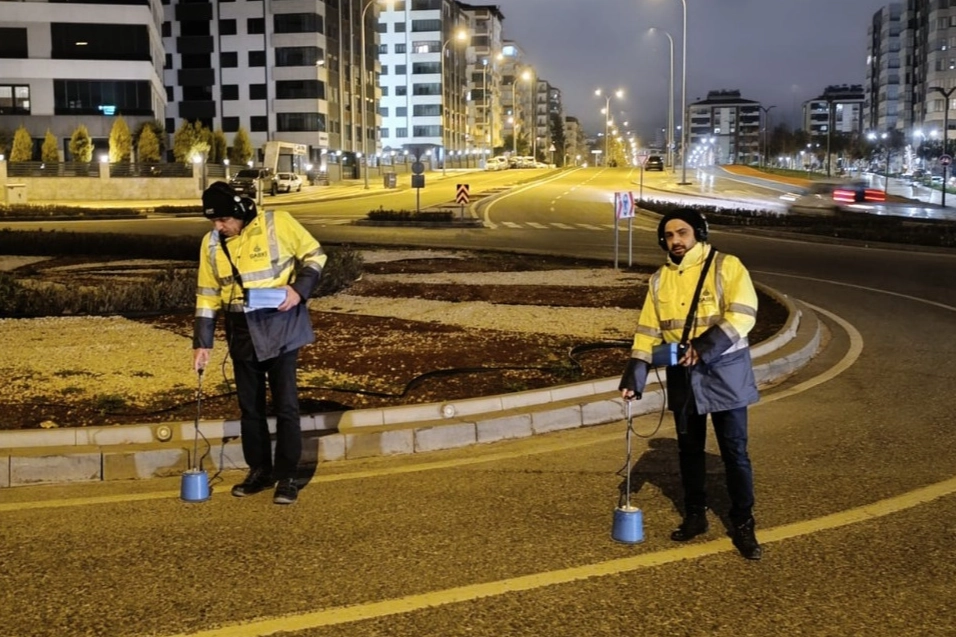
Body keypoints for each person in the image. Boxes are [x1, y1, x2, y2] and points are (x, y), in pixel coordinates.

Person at [619, 208, 762, 560]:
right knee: (689, 452)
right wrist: (635, 375)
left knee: (735, 452)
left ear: (698, 233)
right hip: (683, 376)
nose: (675, 241)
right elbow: (647, 330)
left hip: (725, 372)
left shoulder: (727, 266)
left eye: (681, 233)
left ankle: (743, 523)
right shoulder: (659, 279)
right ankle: (695, 515)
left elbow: (744, 313)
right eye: (668, 236)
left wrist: (705, 346)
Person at [192, 181, 326, 505]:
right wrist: (202, 343)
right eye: (213, 222)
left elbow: (316, 255)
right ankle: (260, 471)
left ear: (239, 211)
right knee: (249, 408)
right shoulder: (210, 244)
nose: (218, 227)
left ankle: (288, 476)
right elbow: (207, 295)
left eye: (223, 220)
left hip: (280, 324)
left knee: (286, 406)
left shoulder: (277, 223)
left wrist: (298, 290)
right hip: (241, 329)